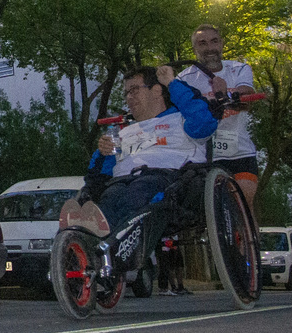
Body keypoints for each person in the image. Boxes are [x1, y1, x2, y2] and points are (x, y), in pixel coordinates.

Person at [69, 65, 217, 245]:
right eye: (126, 93)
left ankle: (109, 243)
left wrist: (172, 83)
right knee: (109, 198)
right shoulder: (123, 133)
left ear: (156, 91)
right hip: (122, 182)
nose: (129, 97)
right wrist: (102, 153)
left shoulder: (182, 119)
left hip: (168, 180)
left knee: (138, 192)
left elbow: (204, 122)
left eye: (134, 90)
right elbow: (97, 176)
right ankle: (87, 240)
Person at [177, 24, 260, 208]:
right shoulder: (184, 78)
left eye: (214, 41)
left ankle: (250, 237)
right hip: (202, 155)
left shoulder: (239, 69)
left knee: (244, 202)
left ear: (221, 44)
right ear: (195, 49)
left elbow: (246, 97)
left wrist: (227, 95)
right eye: (202, 43)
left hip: (239, 151)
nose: (210, 48)